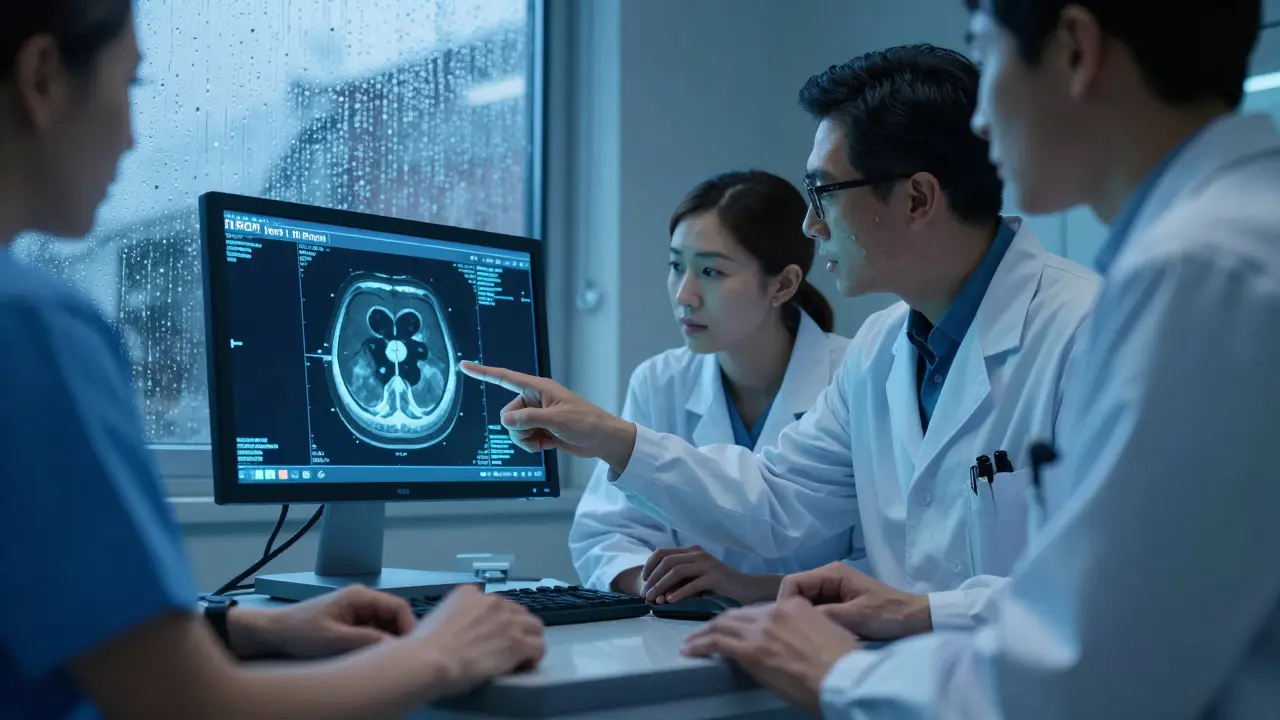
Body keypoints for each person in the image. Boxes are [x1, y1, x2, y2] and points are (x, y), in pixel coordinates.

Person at [678, 1, 1280, 717]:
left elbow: (1085, 672)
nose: (981, 124)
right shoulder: (1224, 247)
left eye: (986, 55)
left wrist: (838, 675)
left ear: (1074, 50)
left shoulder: (1205, 272)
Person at [0, 3, 543, 719]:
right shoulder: (31, 325)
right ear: (42, 77)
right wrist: (441, 653)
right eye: (130, 89)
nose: (132, 138)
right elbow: (186, 706)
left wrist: (251, 624)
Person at [464, 44, 1100, 640]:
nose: (810, 222)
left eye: (822, 191)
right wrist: (610, 436)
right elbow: (775, 500)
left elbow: (1116, 579)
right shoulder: (882, 351)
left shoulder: (1088, 330)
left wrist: (923, 612)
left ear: (917, 198)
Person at [569, 170, 854, 605]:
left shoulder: (854, 375)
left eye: (710, 271)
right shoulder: (659, 381)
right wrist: (657, 584)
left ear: (783, 284)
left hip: (839, 642)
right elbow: (608, 532)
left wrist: (747, 590)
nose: (685, 294)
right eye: (676, 266)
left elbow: (889, 560)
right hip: (683, 636)